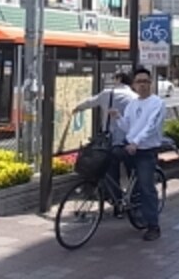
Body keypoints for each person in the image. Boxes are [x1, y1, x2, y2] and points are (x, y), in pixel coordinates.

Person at [110, 67, 166, 241]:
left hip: (146, 150)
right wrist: (118, 117)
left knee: (146, 187)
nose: (143, 85)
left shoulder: (157, 103)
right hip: (130, 146)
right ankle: (116, 199)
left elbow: (151, 127)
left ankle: (153, 226)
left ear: (151, 83)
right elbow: (128, 126)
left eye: (146, 81)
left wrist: (137, 142)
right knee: (108, 160)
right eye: (139, 82)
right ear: (133, 85)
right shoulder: (132, 104)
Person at [73, 71, 136, 214]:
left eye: (114, 78)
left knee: (111, 173)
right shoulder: (134, 97)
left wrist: (77, 108)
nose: (113, 80)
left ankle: (117, 204)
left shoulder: (107, 94)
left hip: (110, 142)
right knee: (133, 171)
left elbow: (89, 102)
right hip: (129, 142)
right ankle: (134, 201)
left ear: (119, 79)